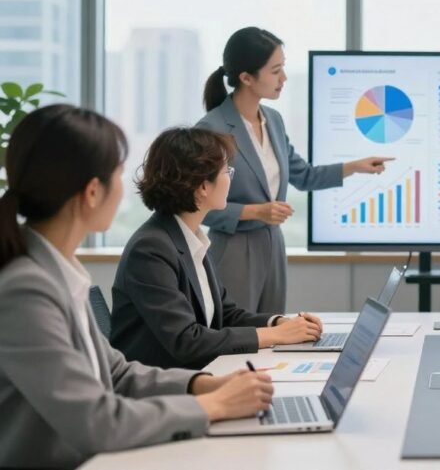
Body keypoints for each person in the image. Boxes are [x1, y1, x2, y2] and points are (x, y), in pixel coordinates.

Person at [0, 105, 272, 469]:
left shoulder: (59, 272)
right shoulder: (25, 290)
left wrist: (202, 384)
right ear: (93, 192)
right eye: (118, 174)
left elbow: (118, 373)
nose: (124, 190)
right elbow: (97, 421)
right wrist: (213, 406)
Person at [197, 27, 392, 313]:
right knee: (235, 339)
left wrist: (355, 167)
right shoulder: (211, 129)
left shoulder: (273, 121)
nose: (284, 78)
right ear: (246, 78)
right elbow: (198, 205)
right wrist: (255, 211)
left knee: (273, 334)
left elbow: (305, 176)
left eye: (283, 68)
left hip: (272, 246)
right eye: (276, 71)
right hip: (233, 251)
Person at [111, 127, 325, 370]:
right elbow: (186, 340)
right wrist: (276, 336)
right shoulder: (151, 249)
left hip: (194, 374)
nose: (229, 179)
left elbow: (224, 314)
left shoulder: (190, 237)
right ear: (203, 186)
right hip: (159, 388)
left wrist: (279, 323)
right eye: (227, 171)